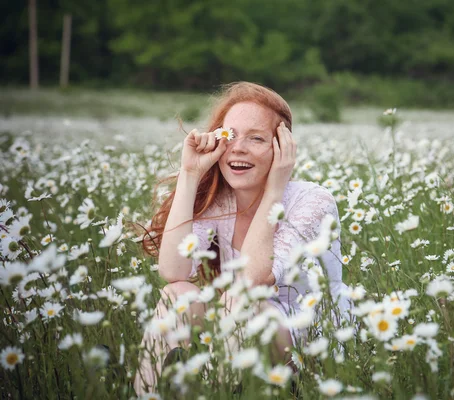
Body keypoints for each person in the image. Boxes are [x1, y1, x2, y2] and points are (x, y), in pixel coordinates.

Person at [134, 82, 351, 394]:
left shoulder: (312, 201)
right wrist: (190, 174)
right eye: (230, 135)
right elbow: (174, 271)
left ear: (282, 147)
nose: (237, 148)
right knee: (176, 295)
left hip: (310, 351)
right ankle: (150, 393)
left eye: (257, 138)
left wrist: (275, 188)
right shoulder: (220, 202)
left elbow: (252, 280)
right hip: (234, 333)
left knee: (243, 299)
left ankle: (206, 389)